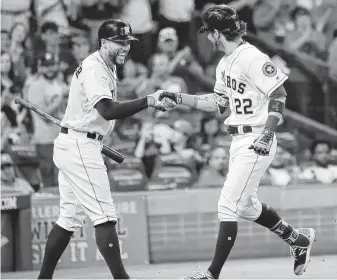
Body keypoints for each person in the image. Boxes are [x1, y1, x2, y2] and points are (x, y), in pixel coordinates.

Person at [159, 5, 315, 279]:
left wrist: (267, 134)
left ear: (218, 33)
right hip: (239, 139)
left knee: (227, 203)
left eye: (209, 33)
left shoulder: (252, 57)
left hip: (257, 136)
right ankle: (297, 239)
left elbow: (279, 94)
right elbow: (218, 104)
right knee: (245, 206)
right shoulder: (225, 63)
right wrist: (179, 98)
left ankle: (211, 274)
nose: (207, 38)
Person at [36, 19, 168, 279]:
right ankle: (122, 277)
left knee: (69, 219)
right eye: (119, 42)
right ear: (104, 42)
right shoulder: (95, 67)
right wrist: (149, 101)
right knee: (105, 216)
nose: (125, 48)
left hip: (78, 141)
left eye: (127, 42)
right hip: (80, 145)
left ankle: (43, 278)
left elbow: (109, 105)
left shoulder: (105, 65)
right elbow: (107, 110)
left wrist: (145, 98)